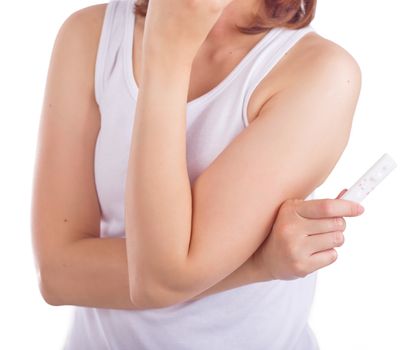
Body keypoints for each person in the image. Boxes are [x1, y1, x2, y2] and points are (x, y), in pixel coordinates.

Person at [30, 0, 362, 348]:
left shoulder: (320, 73)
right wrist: (256, 264)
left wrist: (168, 56)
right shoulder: (90, 34)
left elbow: (160, 281)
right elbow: (57, 276)